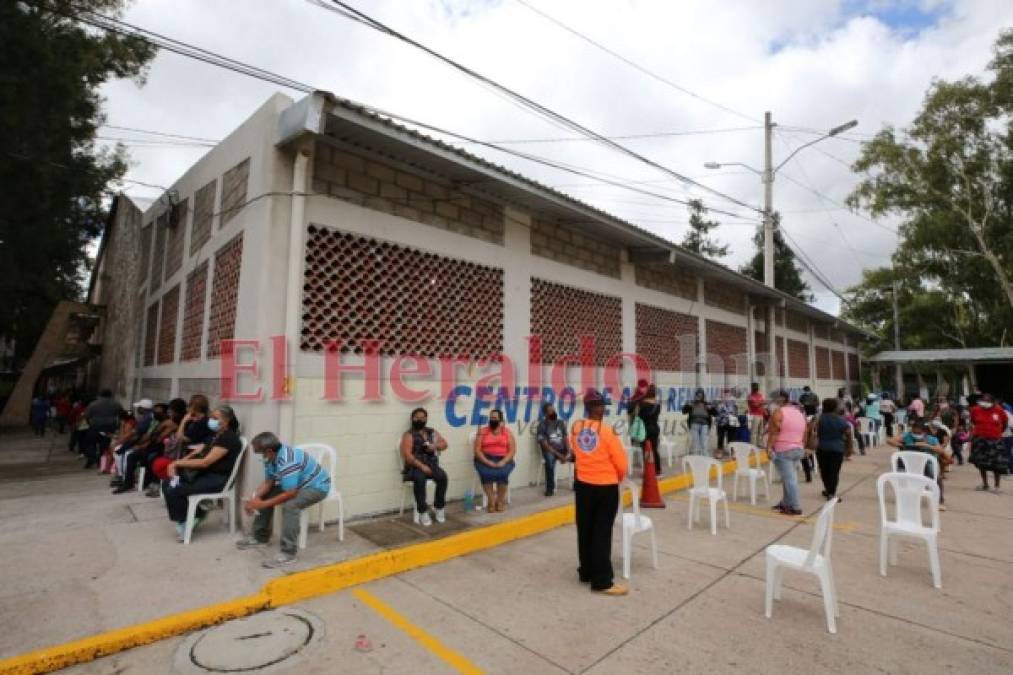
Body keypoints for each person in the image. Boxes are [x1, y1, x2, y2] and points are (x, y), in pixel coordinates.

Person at [236, 432, 332, 568]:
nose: (260, 456)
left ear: (269, 451)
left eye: (260, 453)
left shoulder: (288, 460)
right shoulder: (270, 458)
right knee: (265, 495)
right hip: (297, 485)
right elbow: (269, 482)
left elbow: (290, 493)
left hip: (317, 487)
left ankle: (288, 553)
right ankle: (260, 538)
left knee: (290, 506)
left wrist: (261, 504)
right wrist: (254, 499)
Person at [570, 389, 628, 596]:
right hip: (605, 487)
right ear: (595, 407)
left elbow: (575, 452)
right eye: (602, 405)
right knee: (602, 533)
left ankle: (586, 572)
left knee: (585, 530)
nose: (604, 409)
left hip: (583, 485)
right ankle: (602, 581)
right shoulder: (607, 432)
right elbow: (621, 464)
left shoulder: (576, 428)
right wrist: (618, 477)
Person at [162, 405, 243, 542]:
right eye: (211, 417)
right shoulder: (217, 435)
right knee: (168, 482)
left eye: (215, 418)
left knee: (174, 488)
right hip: (204, 474)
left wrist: (177, 464)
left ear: (227, 420)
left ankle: (191, 518)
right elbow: (200, 451)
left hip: (217, 479)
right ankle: (191, 516)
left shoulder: (228, 438)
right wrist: (178, 462)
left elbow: (205, 462)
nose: (211, 420)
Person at [400, 407, 449, 525]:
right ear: (412, 419)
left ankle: (439, 507)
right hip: (415, 467)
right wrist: (422, 467)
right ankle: (422, 511)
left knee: (442, 477)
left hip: (431, 464)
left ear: (426, 419)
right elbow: (407, 456)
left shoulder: (431, 432)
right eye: (417, 418)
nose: (420, 420)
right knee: (420, 479)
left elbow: (445, 444)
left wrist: (435, 446)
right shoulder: (408, 435)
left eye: (422, 418)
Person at [888, 419, 947, 509]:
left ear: (924, 432)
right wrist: (903, 445)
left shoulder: (932, 439)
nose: (916, 434)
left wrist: (927, 446)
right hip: (909, 464)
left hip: (926, 464)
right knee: (900, 473)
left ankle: (940, 500)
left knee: (937, 478)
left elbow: (940, 450)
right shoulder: (907, 436)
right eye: (914, 431)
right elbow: (890, 441)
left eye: (919, 432)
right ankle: (903, 496)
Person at [766, 390, 806, 515]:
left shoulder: (778, 413)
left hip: (784, 450)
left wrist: (768, 448)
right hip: (798, 449)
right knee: (787, 477)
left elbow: (774, 433)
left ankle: (795, 506)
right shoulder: (799, 413)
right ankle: (785, 503)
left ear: (780, 400)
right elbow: (805, 431)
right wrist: (801, 445)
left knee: (789, 479)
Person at [810, 398, 853, 502]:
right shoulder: (841, 420)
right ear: (835, 407)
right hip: (837, 449)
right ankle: (832, 493)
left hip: (822, 448)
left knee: (824, 470)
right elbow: (848, 434)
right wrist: (849, 448)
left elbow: (811, 429)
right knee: (834, 472)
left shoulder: (819, 418)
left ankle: (828, 489)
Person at [473, 409, 515, 512]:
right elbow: (477, 450)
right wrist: (488, 462)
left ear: (501, 420)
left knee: (503, 474)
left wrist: (504, 461)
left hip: (503, 458)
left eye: (495, 418)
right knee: (486, 474)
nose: (492, 420)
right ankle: (491, 500)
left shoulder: (507, 432)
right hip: (484, 458)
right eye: (491, 418)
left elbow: (512, 450)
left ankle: (500, 501)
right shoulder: (482, 431)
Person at [968, 394, 1009, 492]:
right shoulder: (975, 410)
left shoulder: (999, 410)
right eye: (983, 401)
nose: (985, 403)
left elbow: (1005, 423)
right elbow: (973, 421)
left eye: (987, 401)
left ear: (993, 402)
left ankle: (997, 486)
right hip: (980, 439)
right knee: (981, 463)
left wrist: (997, 432)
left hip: (995, 440)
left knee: (997, 464)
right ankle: (985, 484)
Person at [82, 389, 124, 469]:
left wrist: (89, 423)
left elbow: (86, 416)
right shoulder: (116, 404)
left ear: (100, 395)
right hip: (110, 428)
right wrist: (118, 425)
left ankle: (91, 458)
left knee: (90, 443)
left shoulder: (93, 404)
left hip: (95, 427)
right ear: (111, 395)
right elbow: (122, 414)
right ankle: (100, 461)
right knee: (104, 445)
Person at [537, 402, 572, 496]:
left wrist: (568, 452)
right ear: (545, 414)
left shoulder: (560, 423)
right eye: (551, 411)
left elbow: (565, 438)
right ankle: (550, 488)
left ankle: (577, 484)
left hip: (562, 449)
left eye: (554, 410)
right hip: (550, 450)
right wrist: (560, 455)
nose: (553, 412)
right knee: (549, 462)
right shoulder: (542, 425)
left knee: (578, 457)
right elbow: (544, 445)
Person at [636, 385, 663, 475]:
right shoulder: (657, 405)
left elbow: (639, 417)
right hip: (655, 429)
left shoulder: (642, 404)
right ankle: (658, 470)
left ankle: (648, 471)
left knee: (646, 450)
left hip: (645, 430)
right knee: (654, 449)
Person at [682, 389, 715, 456]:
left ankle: (706, 460)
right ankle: (696, 461)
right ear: (695, 395)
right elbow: (684, 411)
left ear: (703, 396)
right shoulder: (692, 403)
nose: (699, 397)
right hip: (694, 424)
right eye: (698, 395)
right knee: (696, 444)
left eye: (701, 395)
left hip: (705, 425)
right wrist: (688, 405)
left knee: (704, 444)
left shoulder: (707, 403)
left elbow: (715, 413)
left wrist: (711, 408)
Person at [715, 389, 739, 457]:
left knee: (731, 438)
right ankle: (720, 452)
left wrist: (735, 417)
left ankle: (732, 452)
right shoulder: (718, 400)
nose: (726, 394)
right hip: (721, 422)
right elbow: (717, 410)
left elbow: (736, 410)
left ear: (730, 393)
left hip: (731, 421)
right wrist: (722, 402)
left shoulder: (733, 400)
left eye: (727, 393)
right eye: (724, 393)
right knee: (720, 438)